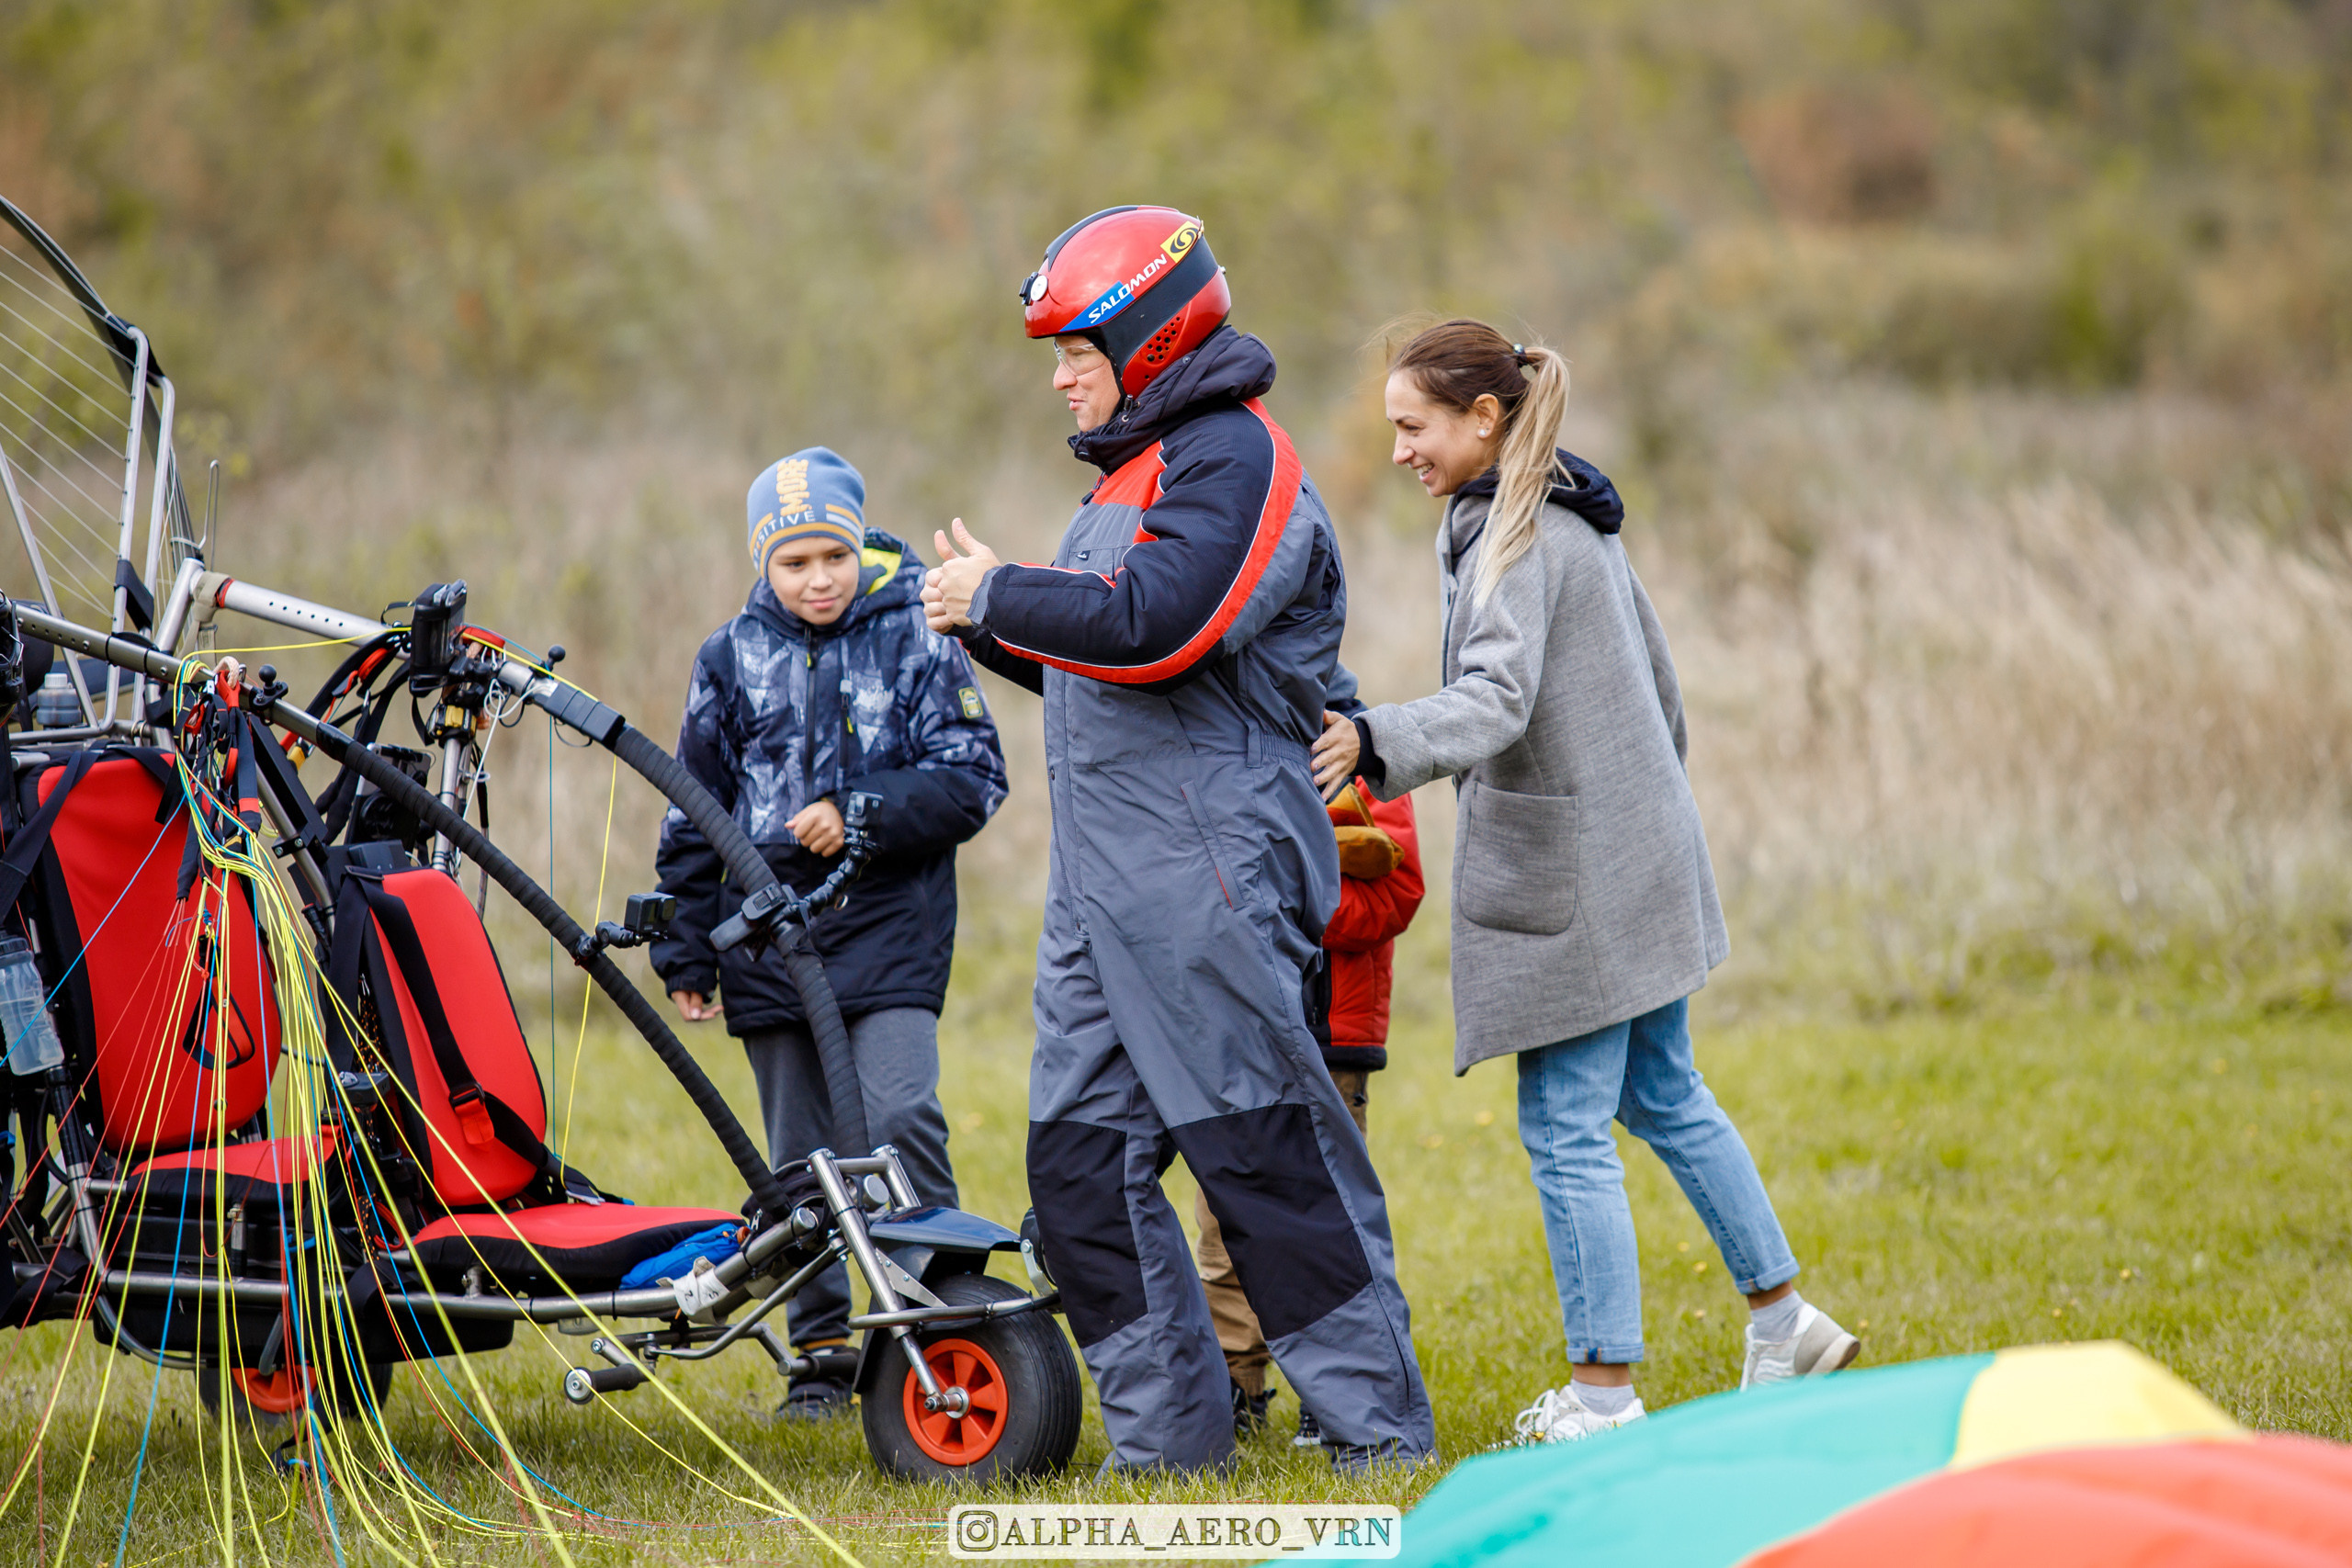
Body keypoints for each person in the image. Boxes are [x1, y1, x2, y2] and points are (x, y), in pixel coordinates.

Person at [921, 206, 1433, 1473]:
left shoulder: (1235, 457)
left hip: (1209, 871)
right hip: (1101, 889)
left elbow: (1161, 623)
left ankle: (1378, 1438)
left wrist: (1001, 592)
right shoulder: (1133, 474)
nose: (1058, 374)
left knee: (1261, 1154)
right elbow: (1110, 663)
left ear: (1146, 338)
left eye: (1073, 347)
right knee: (1078, 1171)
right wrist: (990, 624)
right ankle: (1170, 1447)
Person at [1310, 318, 1859, 1445]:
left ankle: (1602, 1400)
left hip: (1578, 881)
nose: (1402, 449)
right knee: (1662, 1093)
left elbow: (1495, 702)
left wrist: (1370, 739)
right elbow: (1664, 690)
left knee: (1565, 1124)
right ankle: (1785, 1326)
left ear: (1484, 420)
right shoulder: (1571, 514)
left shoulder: (1513, 538)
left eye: (1414, 428)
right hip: (1641, 850)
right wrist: (1645, 826)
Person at [652, 446, 1007, 1419]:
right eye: (793, 563)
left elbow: (976, 778)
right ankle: (821, 1358)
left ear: (859, 547)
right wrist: (687, 940)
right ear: (763, 565)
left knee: (898, 1121)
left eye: (832, 558)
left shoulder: (922, 636)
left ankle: (944, 1319)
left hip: (888, 931)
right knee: (799, 1162)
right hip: (766, 941)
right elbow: (693, 807)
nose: (817, 580)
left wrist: (861, 812)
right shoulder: (727, 656)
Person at [1197, 774, 1422, 1448]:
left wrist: (1288, 906)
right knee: (1223, 1219)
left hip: (1335, 1041)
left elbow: (1396, 892)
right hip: (1237, 1028)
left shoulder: (1365, 759)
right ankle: (1236, 1386)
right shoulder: (1220, 745)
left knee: (1332, 1221)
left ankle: (1337, 1394)